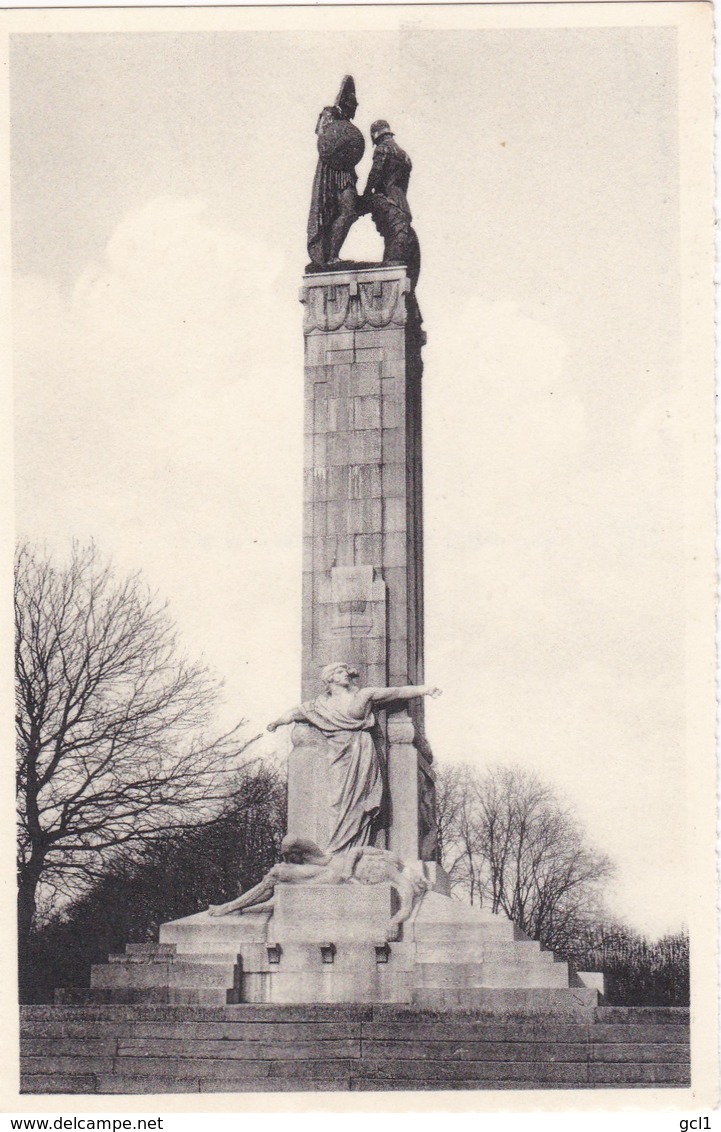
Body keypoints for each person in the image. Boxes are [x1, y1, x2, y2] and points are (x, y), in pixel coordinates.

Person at [267, 663, 442, 855]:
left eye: (345, 672)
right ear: (330, 678)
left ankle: (353, 850)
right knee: (337, 800)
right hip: (338, 756)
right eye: (340, 672)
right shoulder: (318, 705)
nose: (345, 675)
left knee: (360, 802)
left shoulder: (363, 695)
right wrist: (276, 722)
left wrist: (425, 690)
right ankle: (337, 849)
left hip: (362, 752)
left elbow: (397, 692)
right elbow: (294, 713)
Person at [307, 76, 365, 268]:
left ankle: (333, 255)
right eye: (352, 103)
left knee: (349, 211)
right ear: (345, 101)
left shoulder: (346, 123)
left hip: (346, 170)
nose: (355, 108)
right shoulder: (329, 113)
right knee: (343, 210)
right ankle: (331, 257)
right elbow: (324, 139)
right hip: (331, 170)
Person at [360, 119, 421, 287]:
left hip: (386, 198)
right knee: (395, 236)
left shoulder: (382, 149)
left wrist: (366, 195)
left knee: (392, 236)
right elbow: (404, 185)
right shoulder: (405, 156)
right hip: (401, 202)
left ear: (375, 136)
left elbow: (375, 173)